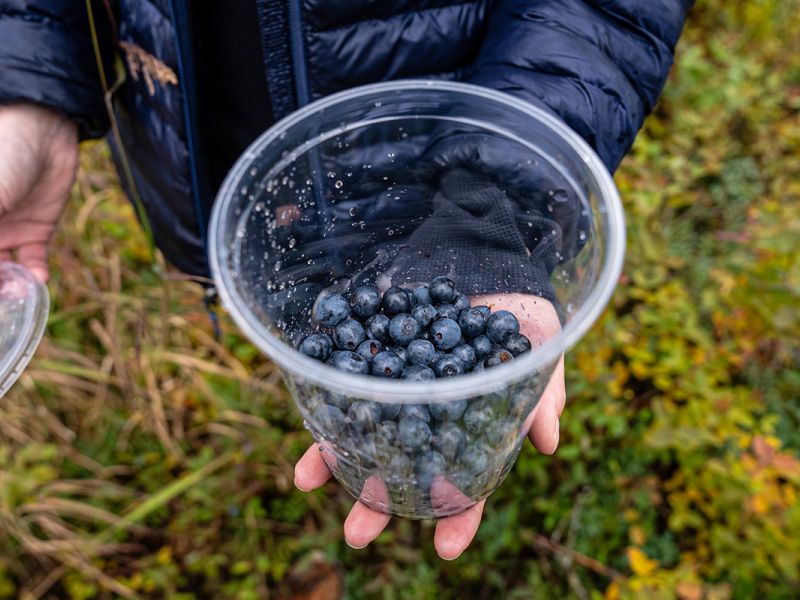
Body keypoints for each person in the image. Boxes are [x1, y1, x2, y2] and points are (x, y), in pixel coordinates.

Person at [0, 0, 693, 559]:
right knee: (330, 346)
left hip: (446, 155)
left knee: (355, 362)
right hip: (218, 176)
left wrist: (498, 191)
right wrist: (25, 83)